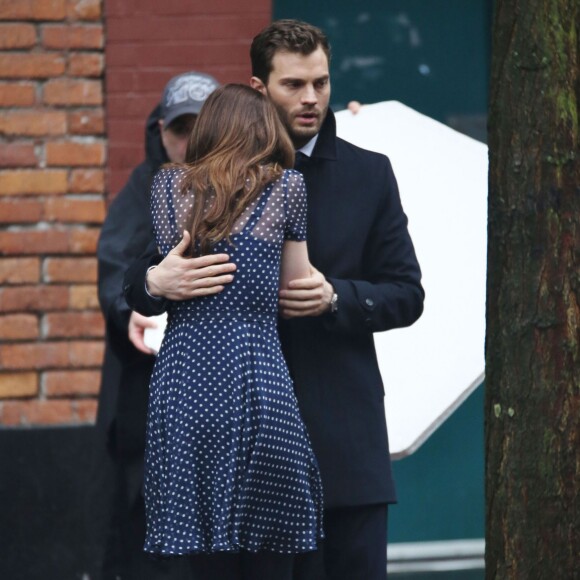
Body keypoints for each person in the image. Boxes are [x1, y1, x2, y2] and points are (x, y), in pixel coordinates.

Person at [123, 20, 424, 580]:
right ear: (259, 88)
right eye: (294, 85)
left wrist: (338, 297)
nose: (311, 98)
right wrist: (155, 287)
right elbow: (140, 277)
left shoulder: (368, 172)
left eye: (322, 82)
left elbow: (407, 293)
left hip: (340, 446)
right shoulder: (195, 182)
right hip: (229, 442)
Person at [144, 82, 324, 578]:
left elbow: (168, 262)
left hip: (185, 380)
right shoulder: (287, 187)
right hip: (256, 377)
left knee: (193, 550)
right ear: (266, 131)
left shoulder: (168, 188)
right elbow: (295, 288)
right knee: (268, 547)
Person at [95, 71, 221, 580]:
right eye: (180, 129)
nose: (190, 142)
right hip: (150, 401)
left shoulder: (252, 191)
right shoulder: (143, 190)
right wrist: (134, 311)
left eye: (203, 127)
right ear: (161, 130)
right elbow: (113, 272)